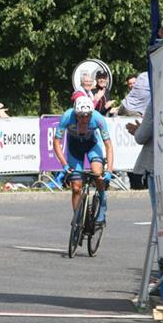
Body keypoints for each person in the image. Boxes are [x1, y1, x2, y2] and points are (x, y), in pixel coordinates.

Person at [53, 96, 115, 228]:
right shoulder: (67, 116)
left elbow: (108, 146)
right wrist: (64, 164)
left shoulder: (98, 118)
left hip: (92, 144)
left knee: (98, 174)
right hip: (74, 147)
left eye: (87, 116)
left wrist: (109, 170)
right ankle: (78, 219)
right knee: (76, 187)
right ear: (75, 113)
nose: (84, 119)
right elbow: (56, 143)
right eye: (80, 116)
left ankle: (102, 205)